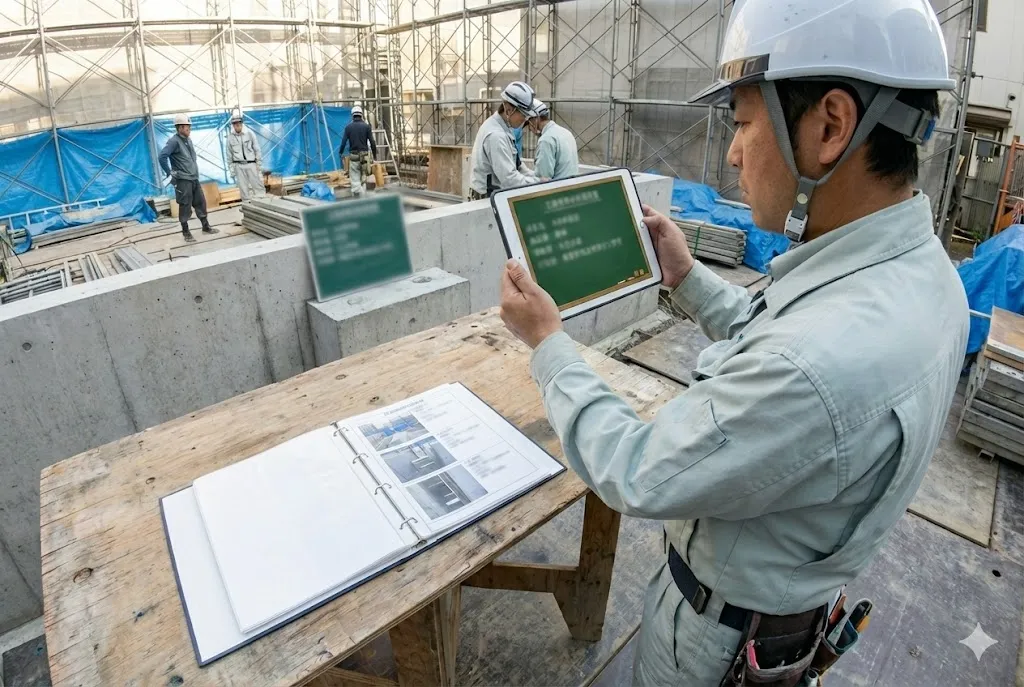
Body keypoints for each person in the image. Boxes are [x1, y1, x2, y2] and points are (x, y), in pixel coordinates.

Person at [498, 0, 969, 684]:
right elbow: (773, 336)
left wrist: (547, 342)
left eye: (744, 123)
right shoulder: (924, 277)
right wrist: (687, 279)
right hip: (783, 616)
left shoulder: (816, 363)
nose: (732, 151)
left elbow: (638, 468)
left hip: (714, 643)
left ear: (831, 126)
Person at [468, 81, 539, 199]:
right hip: (486, 198)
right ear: (509, 110)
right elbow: (510, 180)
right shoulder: (496, 135)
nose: (525, 119)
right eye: (523, 114)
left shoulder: (506, 127)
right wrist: (538, 183)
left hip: (496, 194)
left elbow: (518, 166)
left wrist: (537, 178)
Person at [159, 113, 217, 243]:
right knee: (185, 205)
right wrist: (169, 172)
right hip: (183, 180)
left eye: (189, 127)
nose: (189, 129)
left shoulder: (188, 140)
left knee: (200, 202)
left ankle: (205, 226)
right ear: (180, 127)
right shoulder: (174, 141)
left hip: (193, 178)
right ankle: (186, 232)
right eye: (187, 127)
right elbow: (162, 156)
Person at [529, 99, 579, 180]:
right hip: (573, 184)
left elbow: (543, 177)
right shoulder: (566, 132)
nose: (529, 129)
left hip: (559, 187)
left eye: (528, 123)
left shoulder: (546, 140)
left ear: (536, 119)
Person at [339, 105, 377, 196]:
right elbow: (372, 142)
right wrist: (374, 155)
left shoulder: (348, 127)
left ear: (352, 115)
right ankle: (364, 196)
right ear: (361, 115)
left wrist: (340, 152)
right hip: (365, 156)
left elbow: (343, 142)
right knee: (364, 176)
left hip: (354, 156)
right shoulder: (366, 127)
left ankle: (358, 197)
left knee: (355, 178)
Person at [227, 109, 265, 200]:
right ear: (232, 125)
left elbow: (257, 149)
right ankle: (246, 204)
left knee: (257, 184)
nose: (237, 125)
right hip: (238, 165)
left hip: (251, 164)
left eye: (239, 123)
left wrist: (258, 164)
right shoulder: (230, 137)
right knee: (243, 188)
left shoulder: (250, 134)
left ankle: (262, 201)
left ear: (242, 123)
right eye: (235, 123)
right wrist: (231, 168)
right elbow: (229, 153)